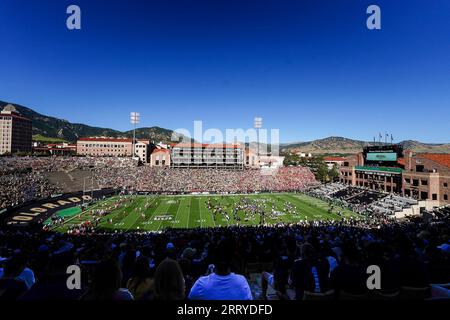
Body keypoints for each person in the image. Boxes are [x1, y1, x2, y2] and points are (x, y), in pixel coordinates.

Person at [188, 241, 253, 300]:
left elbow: (190, 297)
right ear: (231, 261)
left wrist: (206, 278)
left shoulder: (201, 283)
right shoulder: (242, 280)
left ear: (214, 262)